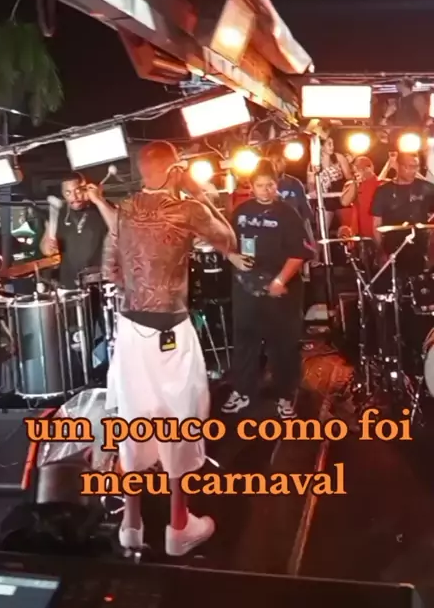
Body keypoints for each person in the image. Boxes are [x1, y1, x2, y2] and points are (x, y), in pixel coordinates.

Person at [101, 141, 235, 557]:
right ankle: (178, 528)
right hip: (171, 330)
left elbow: (110, 270)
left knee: (132, 420)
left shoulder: (123, 211)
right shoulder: (188, 208)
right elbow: (228, 240)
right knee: (182, 419)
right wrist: (195, 190)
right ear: (174, 169)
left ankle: (131, 524)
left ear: (141, 171)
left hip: (131, 332)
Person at [222, 159, 313, 418]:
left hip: (281, 289)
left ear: (277, 185)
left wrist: (280, 281)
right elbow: (226, 242)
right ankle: (242, 391)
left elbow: (299, 254)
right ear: (251, 186)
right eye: (260, 185)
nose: (266, 190)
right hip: (246, 288)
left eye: (270, 185)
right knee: (245, 341)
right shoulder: (240, 212)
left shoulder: (287, 213)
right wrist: (231, 256)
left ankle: (286, 395)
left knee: (283, 344)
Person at [40, 172, 112, 290]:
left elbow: (117, 227)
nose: (74, 197)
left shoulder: (100, 207)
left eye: (77, 191)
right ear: (63, 194)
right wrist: (49, 245)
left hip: (100, 282)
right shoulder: (59, 214)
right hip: (70, 285)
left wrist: (99, 200)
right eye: (68, 193)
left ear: (85, 189)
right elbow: (46, 250)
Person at [370, 152, 434, 277]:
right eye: (409, 167)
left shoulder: (426, 188)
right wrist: (381, 251)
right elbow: (376, 224)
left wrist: (430, 228)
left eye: (416, 167)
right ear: (397, 166)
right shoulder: (383, 191)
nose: (413, 171)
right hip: (393, 248)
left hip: (420, 246)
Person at [264, 142, 316, 248]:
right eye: (271, 162)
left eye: (278, 161)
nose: (275, 165)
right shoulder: (263, 185)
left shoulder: (294, 183)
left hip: (293, 233)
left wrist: (310, 242)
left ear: (285, 161)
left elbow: (305, 214)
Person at [307, 135, 351, 231]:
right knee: (322, 230)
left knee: (350, 228)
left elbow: (349, 177)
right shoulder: (314, 163)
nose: (332, 146)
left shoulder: (338, 157)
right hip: (325, 199)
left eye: (333, 144)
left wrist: (350, 193)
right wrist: (313, 192)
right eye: (329, 144)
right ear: (321, 147)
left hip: (341, 196)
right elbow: (311, 184)